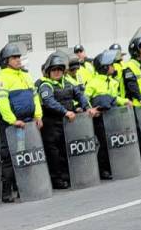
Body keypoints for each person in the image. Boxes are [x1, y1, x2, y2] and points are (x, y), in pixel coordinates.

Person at [0, 41, 43, 202]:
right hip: (12, 126)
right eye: (14, 58)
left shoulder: (26, 75)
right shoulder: (1, 78)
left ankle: (25, 188)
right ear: (6, 61)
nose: (18, 60)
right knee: (10, 157)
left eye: (18, 57)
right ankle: (7, 192)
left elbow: (35, 97)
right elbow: (1, 102)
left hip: (27, 124)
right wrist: (12, 120)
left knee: (25, 154)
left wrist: (38, 115)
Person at [37, 51, 79, 188]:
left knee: (64, 150)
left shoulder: (67, 83)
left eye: (59, 70)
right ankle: (56, 180)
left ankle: (67, 176)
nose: (56, 72)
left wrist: (86, 107)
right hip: (51, 124)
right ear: (48, 71)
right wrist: (66, 111)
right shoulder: (45, 85)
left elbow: (79, 95)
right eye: (53, 70)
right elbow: (49, 101)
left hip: (65, 123)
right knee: (53, 153)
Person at [83, 49, 125, 180]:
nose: (113, 67)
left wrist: (126, 101)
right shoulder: (93, 82)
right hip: (99, 118)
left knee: (113, 141)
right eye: (111, 65)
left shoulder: (112, 82)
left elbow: (114, 98)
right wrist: (90, 109)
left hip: (112, 116)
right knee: (104, 142)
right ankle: (103, 169)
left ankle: (112, 166)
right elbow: (84, 98)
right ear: (105, 67)